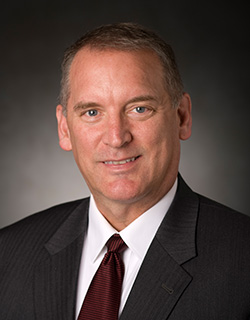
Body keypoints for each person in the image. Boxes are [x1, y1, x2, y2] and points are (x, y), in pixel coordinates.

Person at [0, 22, 250, 320]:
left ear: (182, 117)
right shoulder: (8, 254)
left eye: (139, 109)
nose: (117, 137)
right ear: (64, 128)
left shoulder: (242, 261)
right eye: (92, 112)